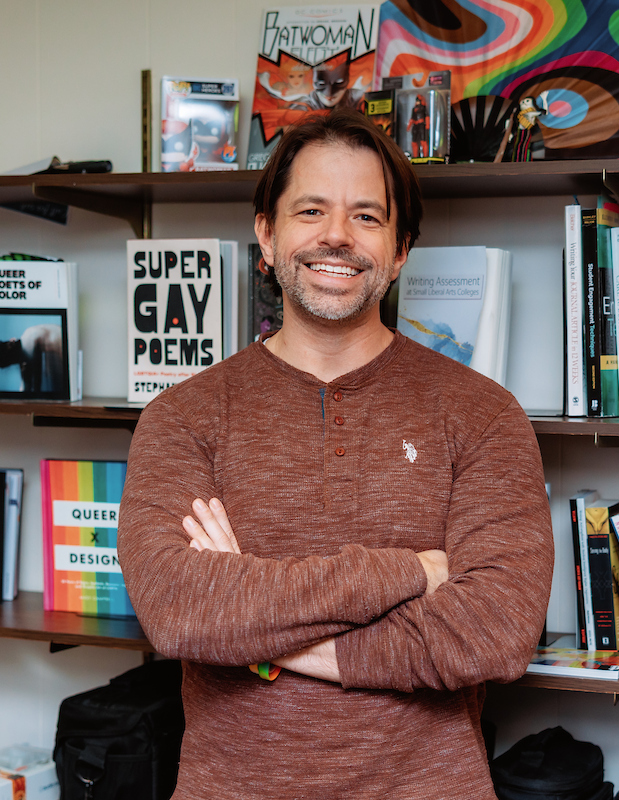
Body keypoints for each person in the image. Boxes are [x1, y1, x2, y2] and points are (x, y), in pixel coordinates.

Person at [117, 107, 554, 800]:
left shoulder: (483, 415)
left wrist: (252, 629)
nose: (337, 238)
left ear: (401, 247)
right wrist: (410, 571)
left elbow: (495, 633)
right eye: (311, 210)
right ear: (266, 232)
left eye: (368, 218)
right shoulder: (182, 417)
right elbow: (176, 610)